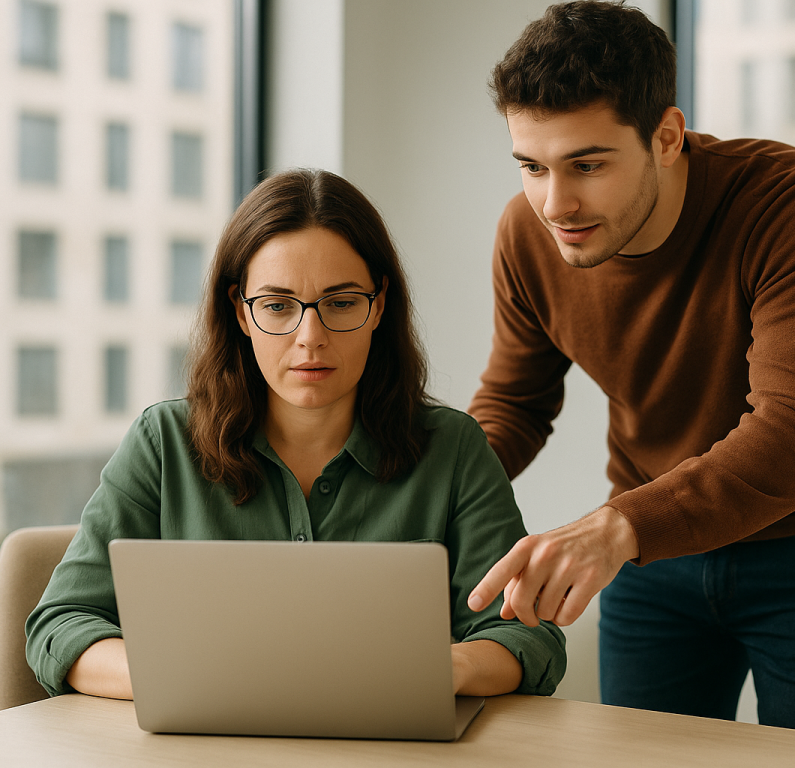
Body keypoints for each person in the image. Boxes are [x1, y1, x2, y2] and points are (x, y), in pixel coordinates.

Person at [466, 0, 795, 738]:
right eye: (532, 167)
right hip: (650, 558)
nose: (554, 203)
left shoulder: (788, 199)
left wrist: (615, 528)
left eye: (587, 165)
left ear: (666, 136)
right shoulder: (526, 234)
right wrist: (410, 491)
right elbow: (513, 405)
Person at [26, 168, 565, 701]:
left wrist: (443, 670)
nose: (311, 337)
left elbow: (528, 637)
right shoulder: (162, 442)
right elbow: (61, 624)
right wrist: (183, 679)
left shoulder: (452, 448)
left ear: (378, 305)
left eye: (342, 303)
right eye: (278, 306)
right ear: (240, 311)